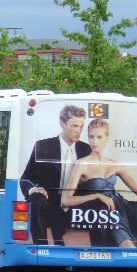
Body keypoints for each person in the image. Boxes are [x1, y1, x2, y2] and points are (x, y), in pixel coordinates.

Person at [61, 119, 137, 247]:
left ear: (107, 139)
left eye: (99, 137)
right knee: (127, 244)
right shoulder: (82, 164)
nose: (94, 141)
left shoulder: (115, 164)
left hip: (120, 209)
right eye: (91, 137)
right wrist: (97, 196)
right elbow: (65, 200)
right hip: (99, 213)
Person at [20, 105, 91, 245]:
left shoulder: (86, 149)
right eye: (74, 126)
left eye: (81, 127)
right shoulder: (43, 147)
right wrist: (34, 189)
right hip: (49, 204)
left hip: (75, 208)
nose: (78, 131)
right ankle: (41, 248)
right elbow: (25, 179)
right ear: (62, 123)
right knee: (36, 200)